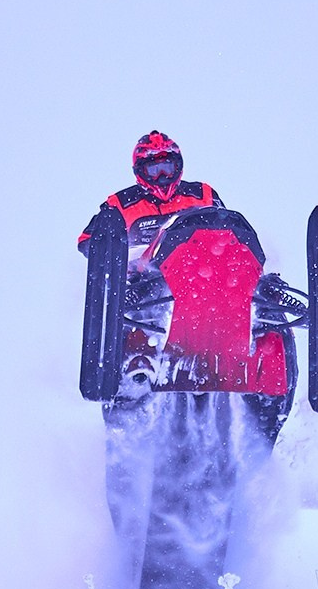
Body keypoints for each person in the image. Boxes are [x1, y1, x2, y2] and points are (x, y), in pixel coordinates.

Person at [79, 131, 224, 394]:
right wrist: (123, 260)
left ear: (178, 166)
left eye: (167, 167)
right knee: (136, 304)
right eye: (154, 169)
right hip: (149, 278)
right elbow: (89, 240)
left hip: (207, 275)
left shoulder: (202, 194)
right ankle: (137, 359)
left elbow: (227, 230)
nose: (162, 177)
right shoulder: (121, 204)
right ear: (140, 171)